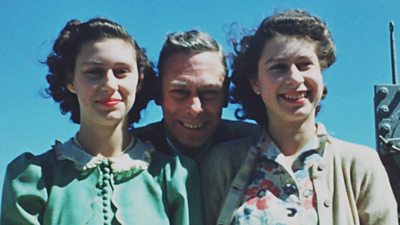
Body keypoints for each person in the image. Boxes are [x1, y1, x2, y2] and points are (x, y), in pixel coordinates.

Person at [201, 9, 398, 225]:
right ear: (255, 83)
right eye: (278, 67)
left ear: (320, 73)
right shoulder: (223, 164)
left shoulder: (360, 165)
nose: (294, 78)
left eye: (304, 65)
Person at [1, 18, 189, 225]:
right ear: (70, 80)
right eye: (94, 72)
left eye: (121, 71)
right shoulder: (33, 177)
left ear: (139, 80)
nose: (109, 84)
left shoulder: (173, 175)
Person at [134, 30, 260, 225]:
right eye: (180, 92)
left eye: (209, 93)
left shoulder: (259, 149)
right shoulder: (127, 156)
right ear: (158, 94)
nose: (194, 108)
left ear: (226, 94)